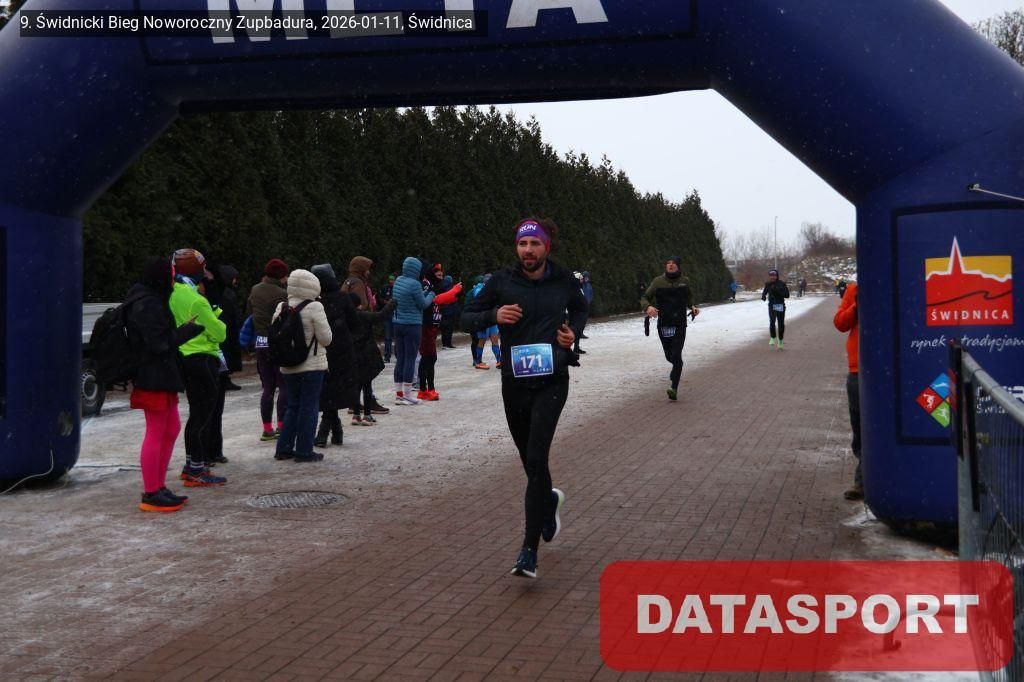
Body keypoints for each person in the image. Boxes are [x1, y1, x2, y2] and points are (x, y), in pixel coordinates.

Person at [461, 217, 587, 580]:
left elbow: (580, 308)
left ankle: (528, 552)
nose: (528, 250)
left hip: (552, 380)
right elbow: (465, 317)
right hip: (514, 383)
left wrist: (572, 333)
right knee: (530, 464)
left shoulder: (563, 280)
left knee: (536, 456)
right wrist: (493, 314)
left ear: (547, 246)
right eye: (522, 244)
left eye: (534, 243)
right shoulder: (502, 281)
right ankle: (548, 501)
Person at [126, 257, 205, 511]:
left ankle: (158, 487)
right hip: (153, 376)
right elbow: (158, 343)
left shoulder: (151, 299)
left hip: (162, 374)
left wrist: (181, 331)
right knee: (157, 431)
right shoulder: (146, 303)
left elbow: (160, 339)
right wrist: (185, 332)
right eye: (170, 275)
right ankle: (151, 492)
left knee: (170, 428)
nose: (173, 280)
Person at [169, 248, 228, 486]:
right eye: (202, 268)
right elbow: (219, 333)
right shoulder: (196, 299)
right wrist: (216, 319)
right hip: (203, 357)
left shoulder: (174, 292)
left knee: (195, 415)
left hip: (185, 357)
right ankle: (196, 469)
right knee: (203, 416)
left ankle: (191, 465)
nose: (204, 272)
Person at [273, 269, 333, 462]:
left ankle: (284, 448)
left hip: (288, 364)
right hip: (312, 366)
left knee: (293, 406)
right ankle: (304, 450)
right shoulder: (315, 307)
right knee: (309, 407)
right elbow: (326, 339)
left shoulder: (282, 306)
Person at [311, 264, 358, 448]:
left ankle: (325, 431)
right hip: (343, 349)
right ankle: (335, 430)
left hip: (321, 349)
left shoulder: (315, 301)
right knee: (334, 389)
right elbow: (354, 323)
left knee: (328, 389)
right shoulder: (342, 297)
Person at [640, 257, 700, 401]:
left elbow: (689, 297)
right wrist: (648, 307)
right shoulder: (658, 282)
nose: (670, 265)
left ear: (678, 266)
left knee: (677, 355)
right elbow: (644, 297)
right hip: (664, 324)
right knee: (670, 356)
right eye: (668, 263)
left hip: (679, 323)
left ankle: (673, 387)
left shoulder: (685, 281)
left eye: (673, 263)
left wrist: (693, 306)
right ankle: (677, 368)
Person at [247, 258, 289, 442]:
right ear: (281, 275)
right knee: (283, 384)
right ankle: (281, 426)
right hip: (276, 341)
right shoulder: (282, 293)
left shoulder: (255, 289)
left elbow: (249, 311)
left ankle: (267, 429)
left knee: (268, 387)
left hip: (260, 341)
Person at [391, 256, 435, 405]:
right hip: (412, 325)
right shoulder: (415, 284)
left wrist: (424, 294)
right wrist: (431, 294)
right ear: (416, 270)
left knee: (400, 359)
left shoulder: (398, 281)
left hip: (398, 323)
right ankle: (408, 395)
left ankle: (399, 394)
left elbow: (411, 299)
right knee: (410, 359)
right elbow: (423, 304)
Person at [834, 282, 863, 500]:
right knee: (860, 427)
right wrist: (855, 307)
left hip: (888, 369)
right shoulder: (854, 289)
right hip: (858, 370)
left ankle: (868, 479)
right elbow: (840, 323)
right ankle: (863, 480)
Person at [349, 292, 395, 424]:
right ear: (359, 304)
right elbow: (381, 316)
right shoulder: (363, 315)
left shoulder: (346, 317)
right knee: (367, 385)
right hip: (366, 354)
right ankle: (367, 415)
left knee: (356, 386)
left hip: (353, 355)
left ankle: (356, 415)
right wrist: (392, 303)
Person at [417, 279, 464, 400]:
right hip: (426, 330)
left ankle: (425, 389)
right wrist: (455, 289)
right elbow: (443, 297)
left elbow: (448, 299)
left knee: (428, 359)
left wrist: (457, 293)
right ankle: (426, 389)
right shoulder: (430, 294)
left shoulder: (436, 295)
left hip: (431, 330)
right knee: (429, 358)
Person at [762, 269, 791, 349]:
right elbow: (765, 291)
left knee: (780, 323)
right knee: (772, 322)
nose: (772, 277)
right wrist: (763, 296)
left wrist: (778, 290)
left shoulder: (782, 284)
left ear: (777, 276)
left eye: (774, 276)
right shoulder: (768, 284)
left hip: (780, 305)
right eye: (771, 276)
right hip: (771, 305)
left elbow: (787, 295)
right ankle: (773, 337)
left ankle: (780, 340)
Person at [378, 273, 396, 362]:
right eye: (390, 279)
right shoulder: (385, 288)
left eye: (393, 279)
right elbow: (379, 298)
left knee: (397, 337)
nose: (391, 281)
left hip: (396, 316)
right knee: (387, 337)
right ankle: (387, 357)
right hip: (387, 315)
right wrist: (385, 301)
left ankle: (399, 356)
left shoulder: (398, 288)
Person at [572, 271, 590, 354]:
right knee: (573, 331)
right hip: (575, 314)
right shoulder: (573, 289)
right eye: (581, 279)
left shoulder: (579, 288)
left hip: (580, 314)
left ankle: (576, 347)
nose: (582, 281)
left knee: (578, 331)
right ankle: (568, 349)